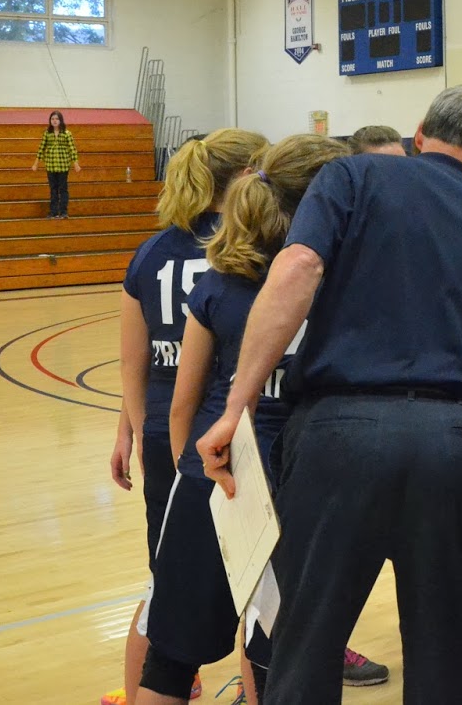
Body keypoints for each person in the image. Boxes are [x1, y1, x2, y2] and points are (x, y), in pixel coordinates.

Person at [196, 85, 462, 704]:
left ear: (420, 133)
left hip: (341, 436)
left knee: (306, 643)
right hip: (455, 445)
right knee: (446, 651)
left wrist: (238, 405)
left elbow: (297, 269)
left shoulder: (351, 176)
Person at [138, 134, 349, 705]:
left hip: (217, 474)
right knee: (285, 657)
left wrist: (195, 474)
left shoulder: (220, 283)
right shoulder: (337, 287)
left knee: (171, 658)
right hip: (299, 484)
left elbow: (184, 404)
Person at [109, 128, 266, 705]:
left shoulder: (150, 252)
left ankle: (147, 690)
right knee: (255, 591)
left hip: (163, 432)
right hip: (219, 435)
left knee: (165, 585)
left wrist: (130, 428)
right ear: (247, 176)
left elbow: (134, 363)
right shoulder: (245, 249)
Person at [32, 110, 81, 218]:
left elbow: (72, 149)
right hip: (50, 166)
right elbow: (41, 149)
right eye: (52, 119)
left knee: (63, 189)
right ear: (50, 121)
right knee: (53, 189)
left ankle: (63, 211)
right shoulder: (47, 133)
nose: (54, 121)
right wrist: (36, 163)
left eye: (56, 119)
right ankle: (53, 211)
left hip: (63, 166)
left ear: (61, 120)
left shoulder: (67, 134)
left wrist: (75, 163)